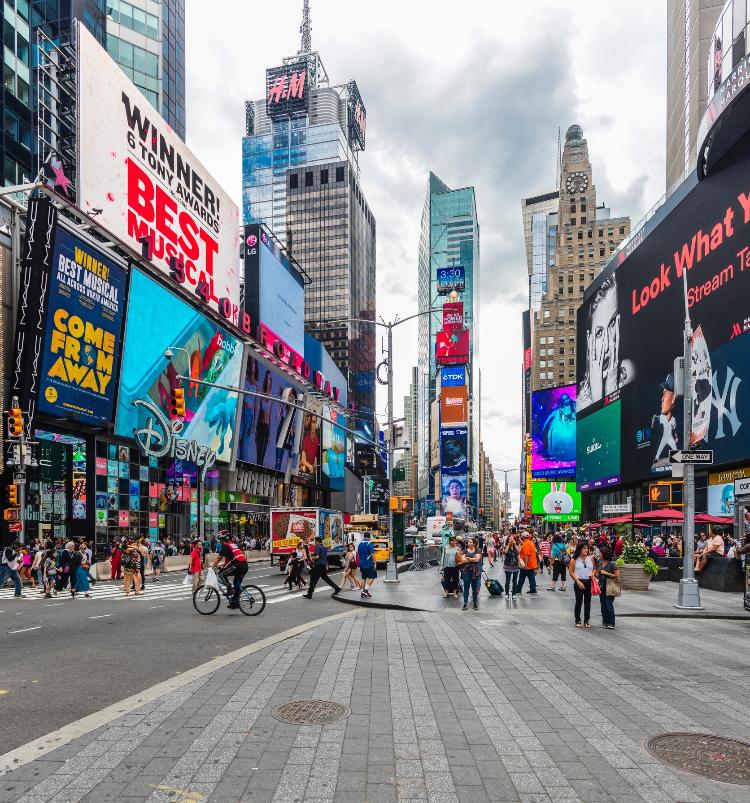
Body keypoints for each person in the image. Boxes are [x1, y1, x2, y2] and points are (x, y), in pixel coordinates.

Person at [212, 531, 249, 608]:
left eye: (220, 540)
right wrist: (223, 566)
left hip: (237, 565)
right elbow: (228, 560)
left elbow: (219, 558)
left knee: (221, 574)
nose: (220, 542)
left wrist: (212, 567)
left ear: (222, 540)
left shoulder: (226, 546)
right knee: (236, 584)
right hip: (244, 565)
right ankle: (235, 603)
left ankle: (229, 589)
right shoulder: (233, 544)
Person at [569, 542, 595, 628]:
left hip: (588, 581)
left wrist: (593, 574)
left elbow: (594, 569)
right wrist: (577, 581)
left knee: (588, 602)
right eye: (584, 548)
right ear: (579, 549)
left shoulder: (590, 559)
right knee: (579, 602)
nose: (586, 550)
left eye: (587, 548)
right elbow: (571, 572)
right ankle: (578, 620)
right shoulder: (574, 559)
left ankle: (587, 620)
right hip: (579, 581)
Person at [598, 546, 619, 629]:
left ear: (604, 554)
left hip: (611, 585)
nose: (599, 554)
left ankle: (611, 622)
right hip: (602, 585)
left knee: (608, 604)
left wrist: (606, 573)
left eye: (600, 553)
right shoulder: (600, 562)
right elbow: (599, 573)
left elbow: (617, 576)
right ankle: (605, 622)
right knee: (603, 604)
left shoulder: (612, 563)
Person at [459, 536, 482, 610]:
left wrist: (469, 559)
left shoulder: (478, 550)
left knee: (474, 588)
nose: (468, 543)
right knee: (466, 586)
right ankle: (465, 603)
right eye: (468, 542)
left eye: (470, 542)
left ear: (474, 543)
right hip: (466, 571)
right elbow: (463, 560)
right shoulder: (465, 551)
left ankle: (474, 603)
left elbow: (477, 559)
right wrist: (473, 559)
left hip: (475, 571)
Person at [357, 533, 377, 598]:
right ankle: (365, 590)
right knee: (372, 576)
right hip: (369, 564)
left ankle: (363, 592)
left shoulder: (360, 544)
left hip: (362, 564)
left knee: (363, 578)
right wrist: (375, 562)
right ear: (369, 537)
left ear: (364, 536)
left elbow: (359, 554)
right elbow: (372, 554)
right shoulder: (370, 544)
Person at [502, 533, 520, 600]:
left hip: (515, 566)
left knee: (515, 581)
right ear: (508, 540)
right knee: (508, 581)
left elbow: (518, 553)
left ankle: (514, 594)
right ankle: (507, 594)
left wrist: (515, 545)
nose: (511, 540)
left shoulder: (516, 546)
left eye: (512, 539)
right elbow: (505, 552)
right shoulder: (506, 546)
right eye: (510, 539)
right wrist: (509, 544)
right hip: (508, 566)